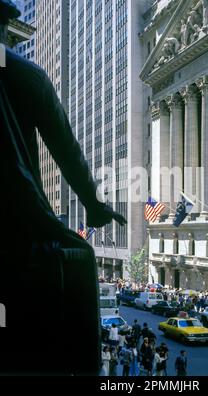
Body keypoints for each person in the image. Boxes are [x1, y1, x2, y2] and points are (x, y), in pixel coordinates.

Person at [0, 0, 126, 375]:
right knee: (82, 257)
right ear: (5, 26)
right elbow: (66, 148)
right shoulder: (25, 74)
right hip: (14, 218)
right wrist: (94, 204)